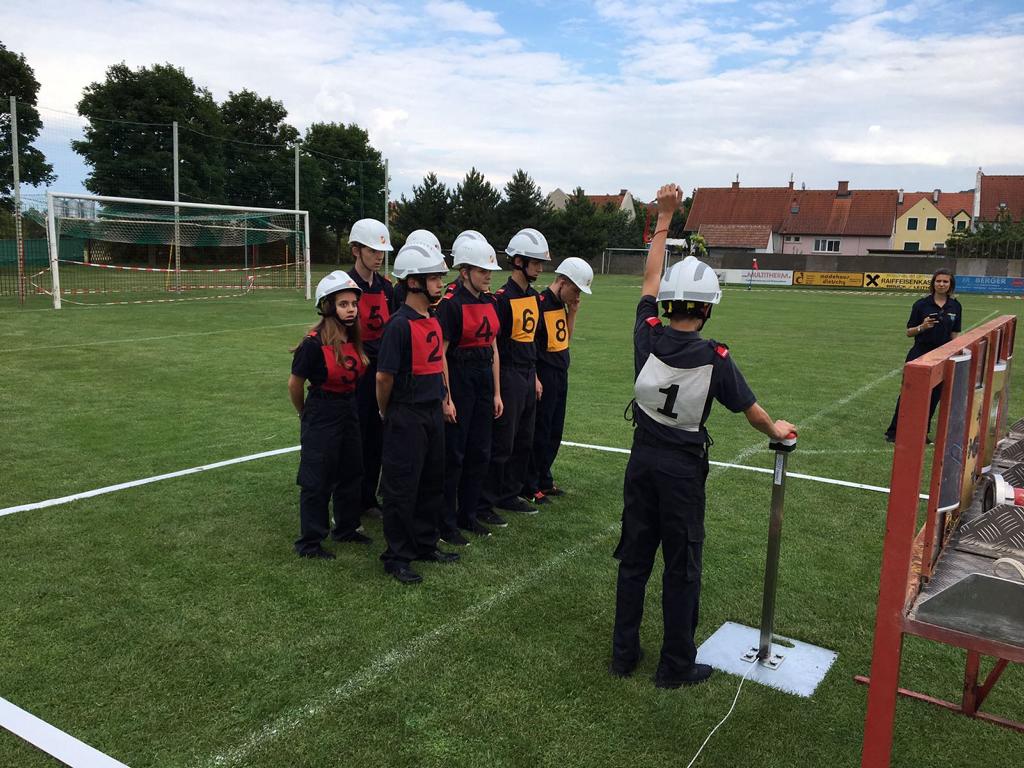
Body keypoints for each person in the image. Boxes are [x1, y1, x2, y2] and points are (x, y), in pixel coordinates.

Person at [610, 183, 795, 689]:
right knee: (682, 568)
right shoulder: (715, 358)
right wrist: (776, 428)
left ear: (669, 304)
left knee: (634, 561)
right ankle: (674, 666)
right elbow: (753, 414)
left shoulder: (647, 334)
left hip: (641, 462)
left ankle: (623, 654)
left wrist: (664, 219)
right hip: (682, 472)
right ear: (708, 308)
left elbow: (650, 278)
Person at [377, 242, 459, 584]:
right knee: (401, 489)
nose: (440, 284)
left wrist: (444, 398)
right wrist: (389, 412)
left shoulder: (433, 318)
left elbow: (438, 363)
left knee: (431, 481)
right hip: (406, 415)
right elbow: (384, 378)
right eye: (434, 278)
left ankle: (425, 543)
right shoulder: (398, 325)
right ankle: (396, 556)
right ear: (413, 282)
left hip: (432, 413)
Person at [288, 270, 371, 559]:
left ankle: (346, 528)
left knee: (352, 471)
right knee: (317, 478)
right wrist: (305, 414)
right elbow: (295, 384)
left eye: (353, 304)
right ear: (327, 306)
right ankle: (310, 542)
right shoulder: (312, 344)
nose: (351, 309)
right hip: (322, 411)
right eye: (343, 304)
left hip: (349, 408)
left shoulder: (353, 337)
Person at [436, 233, 504, 545]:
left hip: (484, 380)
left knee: (480, 451)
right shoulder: (451, 304)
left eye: (490, 271)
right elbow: (441, 355)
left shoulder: (490, 301)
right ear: (464, 272)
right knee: (455, 454)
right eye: (481, 271)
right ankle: (446, 522)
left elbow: (494, 348)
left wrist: (497, 392)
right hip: (460, 379)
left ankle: (469, 514)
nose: (488, 276)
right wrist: (447, 397)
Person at [478, 228, 550, 525]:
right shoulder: (501, 298)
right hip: (509, 374)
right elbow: (496, 345)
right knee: (502, 442)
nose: (540, 268)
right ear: (518, 261)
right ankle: (487, 499)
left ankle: (510, 492)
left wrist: (535, 375)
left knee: (523, 439)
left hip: (528, 374)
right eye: (536, 262)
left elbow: (532, 340)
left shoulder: (534, 297)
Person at [524, 257, 594, 505]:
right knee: (540, 431)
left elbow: (564, 340)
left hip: (560, 372)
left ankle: (544, 478)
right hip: (544, 374)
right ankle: (530, 484)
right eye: (575, 290)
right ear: (562, 282)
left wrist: (572, 312)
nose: (577, 296)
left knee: (555, 430)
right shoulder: (540, 303)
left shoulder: (560, 305)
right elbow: (530, 344)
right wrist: (534, 377)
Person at [347, 218, 396, 520]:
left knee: (377, 437)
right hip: (355, 373)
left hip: (381, 372)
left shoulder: (387, 287)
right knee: (355, 438)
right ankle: (349, 500)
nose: (379, 257)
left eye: (382, 251)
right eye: (372, 250)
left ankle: (368, 498)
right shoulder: (344, 285)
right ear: (356, 250)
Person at [884, 269, 962, 443]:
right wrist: (923, 327)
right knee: (909, 394)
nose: (941, 284)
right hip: (920, 353)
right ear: (933, 283)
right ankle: (894, 431)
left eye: (945, 281)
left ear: (950, 285)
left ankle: (921, 433)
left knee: (934, 396)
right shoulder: (921, 304)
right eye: (938, 281)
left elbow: (955, 333)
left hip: (941, 356)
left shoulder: (955, 306)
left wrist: (953, 352)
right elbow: (909, 332)